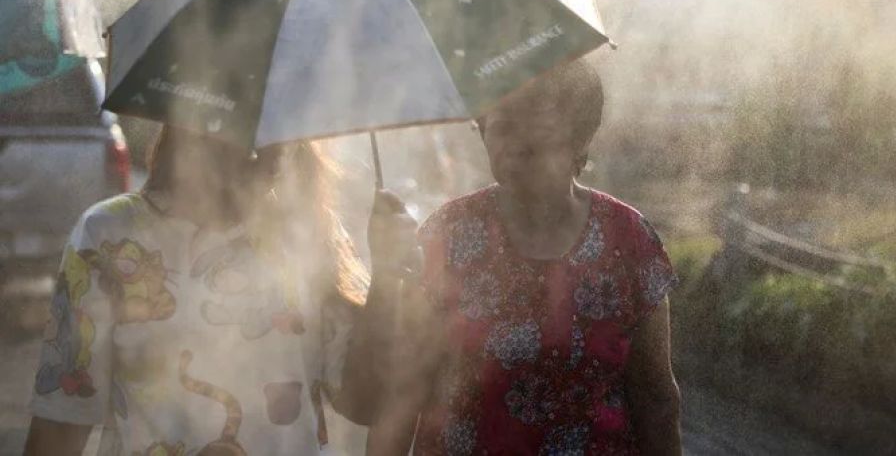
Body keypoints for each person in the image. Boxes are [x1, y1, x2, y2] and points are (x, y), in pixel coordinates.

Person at [364, 59, 683, 456]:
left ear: (578, 138)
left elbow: (656, 400)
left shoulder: (630, 241)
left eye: (536, 123)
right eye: (501, 124)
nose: (515, 142)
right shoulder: (448, 236)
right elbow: (403, 392)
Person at [23, 126, 375, 455]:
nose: (266, 151)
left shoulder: (305, 234)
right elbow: (62, 421)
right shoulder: (108, 234)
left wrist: (388, 282)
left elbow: (363, 403)